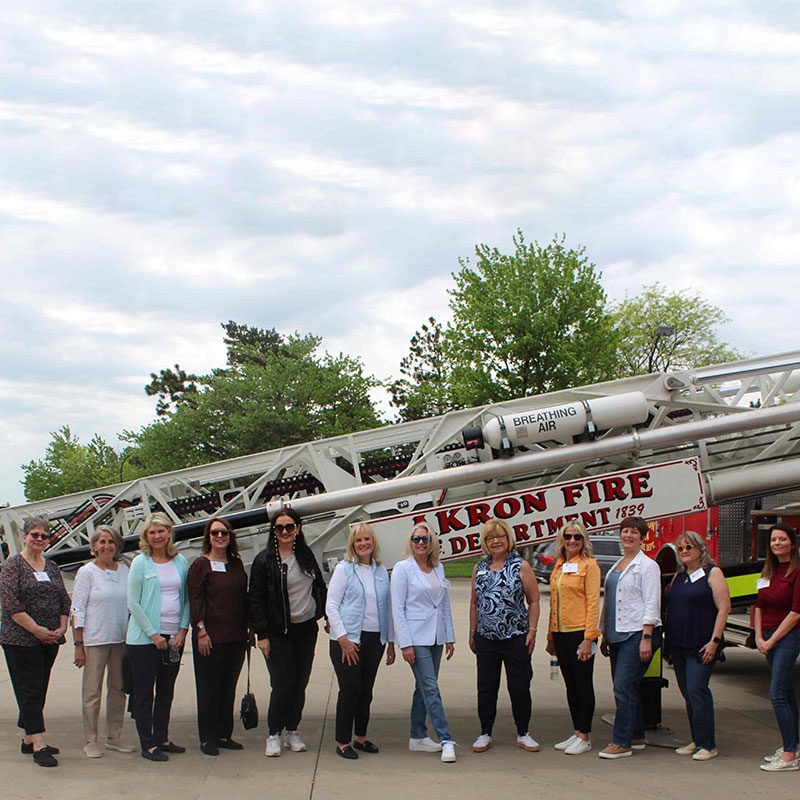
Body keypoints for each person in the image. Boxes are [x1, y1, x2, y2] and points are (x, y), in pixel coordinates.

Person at [249, 507, 328, 758]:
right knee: (283, 683)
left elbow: (319, 587)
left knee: (300, 682)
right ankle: (273, 733)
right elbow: (256, 600)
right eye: (279, 527)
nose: (285, 531)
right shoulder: (264, 561)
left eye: (289, 527)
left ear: (298, 529)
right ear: (273, 531)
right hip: (277, 632)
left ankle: (292, 730)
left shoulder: (305, 556)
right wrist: (261, 635)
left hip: (305, 630)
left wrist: (325, 615)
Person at [0, 516, 70, 767]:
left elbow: (63, 599)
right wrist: (37, 630)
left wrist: (61, 627)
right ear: (25, 537)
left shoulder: (51, 566)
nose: (39, 539)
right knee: (28, 689)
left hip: (50, 639)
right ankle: (39, 744)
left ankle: (28, 737)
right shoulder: (12, 566)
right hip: (20, 639)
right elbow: (10, 604)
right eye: (35, 535)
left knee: (38, 688)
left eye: (44, 536)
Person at [469, 518, 539, 754]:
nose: (495, 541)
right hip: (486, 638)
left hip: (516, 636)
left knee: (519, 687)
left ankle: (524, 732)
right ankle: (484, 732)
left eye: (499, 536)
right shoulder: (479, 568)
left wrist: (532, 630)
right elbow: (474, 602)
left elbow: (534, 601)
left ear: (508, 539)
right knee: (486, 687)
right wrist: (472, 632)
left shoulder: (521, 566)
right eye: (490, 538)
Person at [326, 522, 395, 759]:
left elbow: (386, 608)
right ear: (352, 545)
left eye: (367, 539)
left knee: (366, 690)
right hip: (348, 639)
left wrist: (391, 642)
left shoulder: (380, 570)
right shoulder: (344, 569)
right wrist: (343, 639)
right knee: (350, 689)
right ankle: (343, 741)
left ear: (373, 542)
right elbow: (331, 606)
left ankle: (361, 736)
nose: (363, 543)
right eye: (358, 540)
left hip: (375, 639)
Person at [391, 522, 457, 763]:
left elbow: (444, 604)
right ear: (411, 542)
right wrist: (405, 644)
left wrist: (449, 636)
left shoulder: (438, 568)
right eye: (416, 539)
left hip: (436, 636)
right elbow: (398, 607)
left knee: (424, 686)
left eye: (425, 539)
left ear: (433, 543)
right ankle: (446, 738)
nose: (420, 543)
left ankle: (417, 735)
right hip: (416, 637)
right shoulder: (402, 568)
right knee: (430, 687)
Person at [126, 512, 190, 762]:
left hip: (173, 637)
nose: (157, 536)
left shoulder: (181, 561)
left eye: (161, 531)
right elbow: (133, 602)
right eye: (152, 532)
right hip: (144, 641)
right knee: (144, 693)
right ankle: (148, 743)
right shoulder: (140, 563)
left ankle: (162, 737)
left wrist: (182, 629)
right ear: (146, 536)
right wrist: (153, 635)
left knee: (166, 691)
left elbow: (185, 598)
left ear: (169, 532)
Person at [663, 530, 730, 762]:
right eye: (681, 548)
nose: (684, 552)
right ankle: (696, 738)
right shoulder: (678, 577)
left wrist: (715, 641)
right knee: (687, 692)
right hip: (678, 644)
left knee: (697, 689)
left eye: (689, 547)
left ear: (701, 549)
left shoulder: (713, 573)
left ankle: (708, 744)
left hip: (702, 644)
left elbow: (724, 608)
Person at [598, 516, 661, 759]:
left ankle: (621, 742)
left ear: (642, 537)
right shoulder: (618, 564)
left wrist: (647, 636)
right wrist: (604, 633)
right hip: (616, 635)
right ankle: (636, 736)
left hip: (636, 634)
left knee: (622, 688)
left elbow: (652, 602)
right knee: (629, 688)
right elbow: (611, 602)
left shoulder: (648, 566)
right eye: (625, 531)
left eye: (634, 532)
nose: (629, 535)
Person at [71, 525, 135, 758]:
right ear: (94, 547)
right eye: (102, 541)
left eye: (111, 541)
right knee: (92, 692)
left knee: (118, 689)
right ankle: (90, 740)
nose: (106, 546)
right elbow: (77, 609)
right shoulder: (87, 572)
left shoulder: (124, 570)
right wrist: (78, 645)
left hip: (120, 638)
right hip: (95, 639)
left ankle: (114, 736)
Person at [188, 517, 249, 756]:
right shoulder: (200, 565)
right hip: (209, 638)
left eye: (224, 532)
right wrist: (200, 629)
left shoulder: (236, 564)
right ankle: (208, 738)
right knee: (208, 689)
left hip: (235, 637)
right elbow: (195, 600)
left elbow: (243, 597)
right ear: (208, 537)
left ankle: (224, 734)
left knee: (228, 688)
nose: (220, 536)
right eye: (215, 533)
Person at [545, 521, 601, 755]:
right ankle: (577, 730)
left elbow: (592, 602)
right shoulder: (560, 565)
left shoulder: (589, 565)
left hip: (580, 633)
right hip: (561, 632)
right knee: (570, 685)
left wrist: (589, 638)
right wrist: (550, 636)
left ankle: (585, 735)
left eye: (577, 537)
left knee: (583, 684)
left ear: (583, 540)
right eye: (568, 536)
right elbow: (554, 603)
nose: (572, 541)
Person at [755, 522, 800, 772]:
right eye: (773, 540)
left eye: (782, 540)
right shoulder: (768, 572)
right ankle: (793, 745)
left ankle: (789, 755)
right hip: (768, 636)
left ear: (792, 544)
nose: (777, 544)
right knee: (787, 693)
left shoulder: (797, 572)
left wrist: (772, 641)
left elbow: (795, 613)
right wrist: (760, 637)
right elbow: (759, 606)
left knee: (777, 694)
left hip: (788, 636)